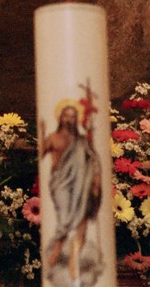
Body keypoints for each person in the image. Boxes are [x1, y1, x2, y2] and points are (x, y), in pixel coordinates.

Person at [40, 101, 103, 286]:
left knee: (81, 220)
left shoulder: (82, 141)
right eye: (66, 115)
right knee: (65, 220)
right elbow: (42, 153)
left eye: (73, 116)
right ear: (60, 117)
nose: (70, 119)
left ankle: (74, 259)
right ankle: (55, 254)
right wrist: (42, 134)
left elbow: (94, 160)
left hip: (81, 186)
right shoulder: (53, 137)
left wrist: (97, 182)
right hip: (61, 185)